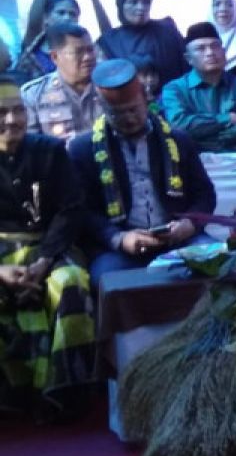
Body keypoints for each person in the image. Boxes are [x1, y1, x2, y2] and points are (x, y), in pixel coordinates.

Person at [67, 59, 216, 283]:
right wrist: (118, 238)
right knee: (109, 279)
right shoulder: (83, 149)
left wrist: (189, 225)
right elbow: (83, 210)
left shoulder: (177, 139)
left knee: (218, 262)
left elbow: (205, 194)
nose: (128, 119)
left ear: (146, 100)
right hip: (120, 247)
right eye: (116, 113)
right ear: (102, 109)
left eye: (133, 110)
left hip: (178, 239)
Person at [0, 76, 94, 419]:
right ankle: (13, 394)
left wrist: (43, 261)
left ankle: (63, 392)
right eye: (1, 113)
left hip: (49, 247)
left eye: (17, 111)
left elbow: (71, 209)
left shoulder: (49, 151)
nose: (11, 121)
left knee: (70, 283)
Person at [162, 22, 236, 152]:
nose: (210, 52)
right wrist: (226, 118)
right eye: (201, 48)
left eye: (215, 46)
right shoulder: (174, 89)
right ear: (188, 58)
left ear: (224, 52)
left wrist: (202, 138)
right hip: (196, 161)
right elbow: (179, 126)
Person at [14, 0, 112, 81]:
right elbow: (34, 21)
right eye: (61, 13)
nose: (67, 18)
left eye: (72, 14)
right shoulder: (34, 47)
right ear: (46, 18)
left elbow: (109, 37)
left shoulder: (88, 48)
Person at [20, 22, 102, 141]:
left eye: (90, 50)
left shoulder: (110, 86)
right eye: (78, 52)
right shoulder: (32, 95)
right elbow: (32, 145)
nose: (87, 57)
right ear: (55, 57)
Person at [96, 0, 188, 83]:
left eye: (145, 2)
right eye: (133, 2)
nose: (141, 7)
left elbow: (187, 64)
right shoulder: (109, 41)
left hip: (173, 97)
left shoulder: (167, 29)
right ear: (121, 5)